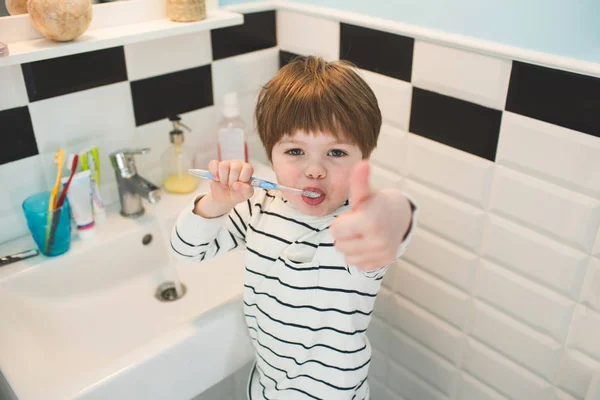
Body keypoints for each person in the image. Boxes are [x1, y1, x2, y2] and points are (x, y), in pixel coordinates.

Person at [171, 55, 419, 400]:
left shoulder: (355, 228)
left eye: (335, 153)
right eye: (295, 151)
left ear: (364, 156)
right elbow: (187, 250)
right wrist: (216, 202)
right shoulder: (257, 207)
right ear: (270, 154)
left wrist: (394, 214)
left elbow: (392, 227)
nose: (314, 170)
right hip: (266, 388)